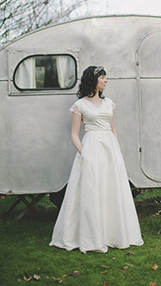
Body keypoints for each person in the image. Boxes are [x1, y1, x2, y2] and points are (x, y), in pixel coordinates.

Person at [49, 65, 144, 253]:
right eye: (103, 77)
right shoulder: (80, 105)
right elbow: (74, 134)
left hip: (109, 149)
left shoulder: (109, 103)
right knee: (91, 189)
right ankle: (90, 235)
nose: (106, 80)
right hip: (91, 146)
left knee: (111, 188)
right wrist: (84, 153)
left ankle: (113, 234)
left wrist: (115, 150)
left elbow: (113, 128)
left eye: (106, 77)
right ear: (93, 80)